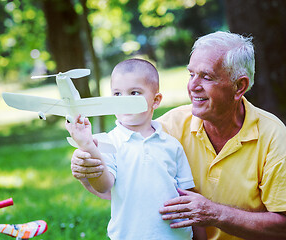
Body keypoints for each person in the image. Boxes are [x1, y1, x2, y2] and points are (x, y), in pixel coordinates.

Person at [70, 31, 286, 239]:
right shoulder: (165, 128)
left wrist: (216, 214)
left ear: (239, 86)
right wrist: (86, 171)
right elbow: (123, 189)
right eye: (191, 74)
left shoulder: (273, 136)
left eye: (206, 77)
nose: (192, 86)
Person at [65, 58, 205, 239]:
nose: (124, 101)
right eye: (117, 94)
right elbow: (103, 185)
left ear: (155, 100)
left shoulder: (171, 145)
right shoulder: (108, 143)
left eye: (134, 93)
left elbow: (189, 197)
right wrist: (88, 146)